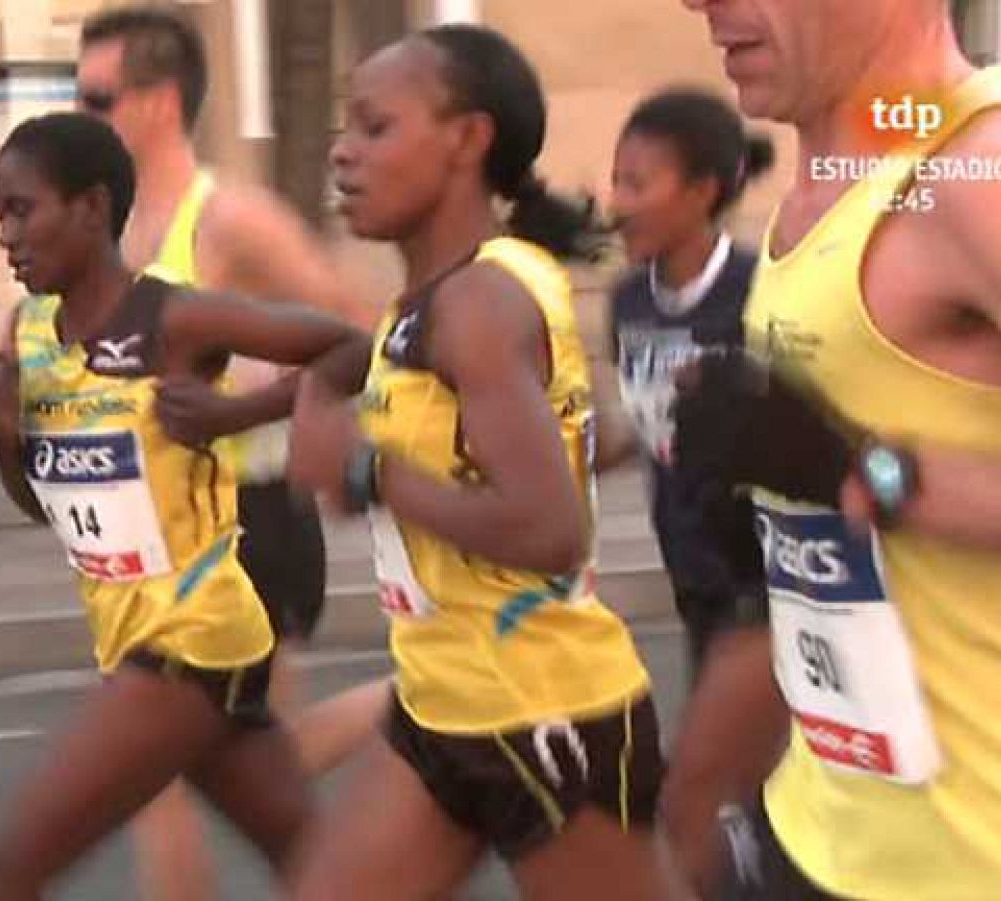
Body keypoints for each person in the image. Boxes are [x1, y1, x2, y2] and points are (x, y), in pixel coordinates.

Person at [663, 1, 1001, 897]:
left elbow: (853, 465)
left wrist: (872, 475)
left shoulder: (997, 172)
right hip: (830, 832)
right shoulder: (863, 164)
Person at [284, 25, 668, 900]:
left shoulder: (477, 303)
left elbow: (548, 529)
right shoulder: (442, 299)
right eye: (345, 129)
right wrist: (311, 396)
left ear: (467, 139)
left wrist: (366, 474)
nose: (343, 152)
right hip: (440, 707)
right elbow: (366, 358)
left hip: (543, 716)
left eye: (375, 128)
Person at [0, 112, 369, 901]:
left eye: (22, 210)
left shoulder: (172, 318)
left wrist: (237, 414)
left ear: (91, 206)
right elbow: (48, 507)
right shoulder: (28, 335)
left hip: (185, 645)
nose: (7, 236)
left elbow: (348, 345)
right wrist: (5, 438)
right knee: (328, 877)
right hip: (155, 643)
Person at [74, 8, 381, 897]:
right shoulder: (111, 228)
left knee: (168, 772)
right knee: (224, 771)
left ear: (158, 103)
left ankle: (430, 703)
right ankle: (429, 703)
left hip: (246, 527)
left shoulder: (232, 219)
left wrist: (246, 404)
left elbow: (357, 334)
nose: (79, 111)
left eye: (96, 96)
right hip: (148, 538)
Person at [601, 87, 773, 677]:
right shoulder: (628, 301)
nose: (616, 203)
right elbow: (645, 422)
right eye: (616, 181)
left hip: (766, 589)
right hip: (690, 575)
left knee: (709, 770)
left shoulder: (761, 288)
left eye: (636, 185)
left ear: (702, 192)